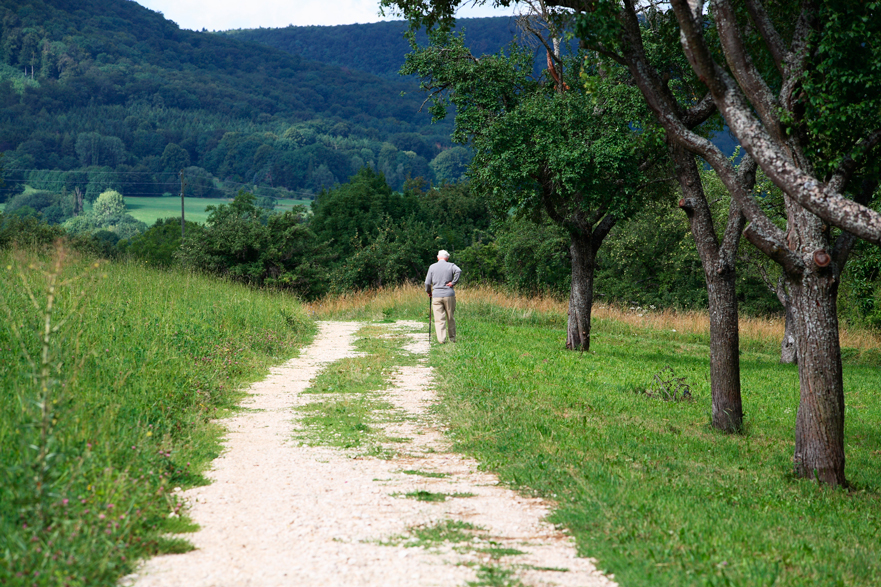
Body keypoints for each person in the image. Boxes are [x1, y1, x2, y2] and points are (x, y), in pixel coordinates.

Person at [424, 249, 461, 344]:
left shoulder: (432, 267)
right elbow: (459, 271)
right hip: (449, 294)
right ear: (447, 258)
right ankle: (452, 338)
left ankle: (441, 339)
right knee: (450, 317)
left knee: (439, 318)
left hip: (436, 295)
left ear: (437, 257)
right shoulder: (451, 265)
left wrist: (429, 291)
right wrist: (453, 283)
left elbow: (427, 282)